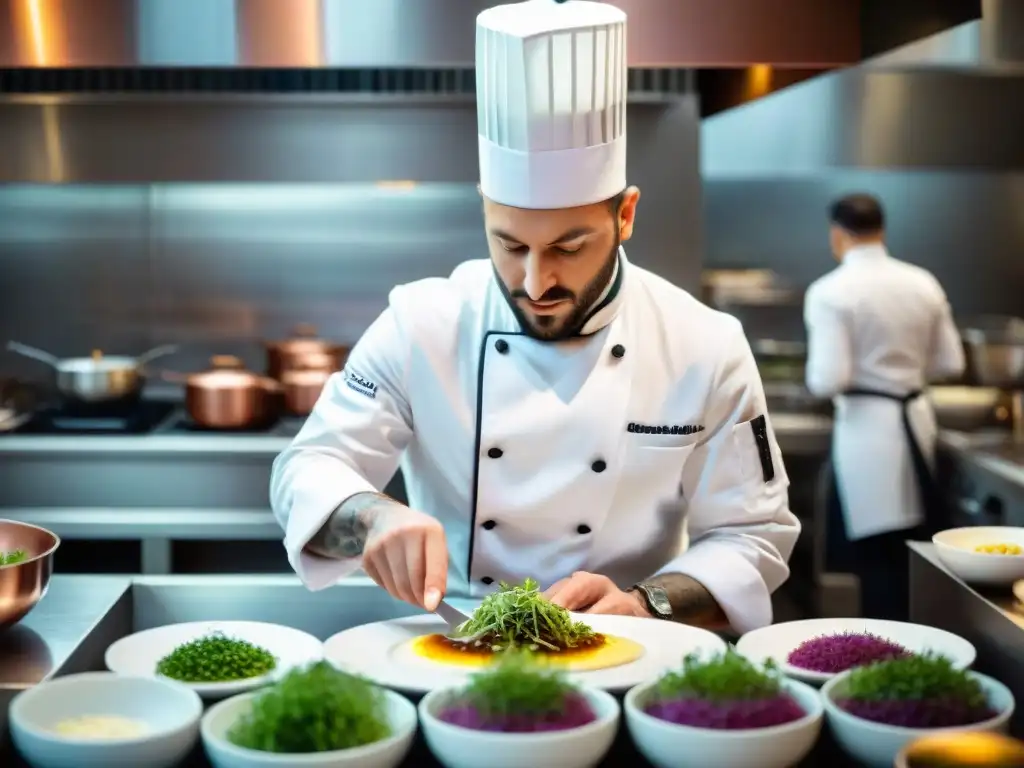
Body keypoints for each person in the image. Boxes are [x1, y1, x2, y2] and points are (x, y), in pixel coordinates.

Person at [270, 0, 799, 635]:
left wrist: (646, 602)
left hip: (630, 650)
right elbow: (306, 468)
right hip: (450, 641)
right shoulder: (421, 325)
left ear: (625, 216)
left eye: (568, 249)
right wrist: (371, 516)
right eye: (510, 244)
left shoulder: (704, 345)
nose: (535, 281)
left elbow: (753, 535)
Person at [804, 193, 965, 621]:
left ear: (837, 234)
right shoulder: (923, 282)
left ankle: (886, 653)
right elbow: (951, 362)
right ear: (882, 229)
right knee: (917, 552)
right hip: (916, 418)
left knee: (875, 558)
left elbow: (826, 379)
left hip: (867, 431)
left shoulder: (830, 291)